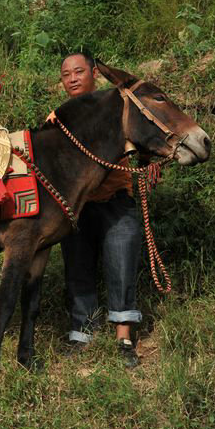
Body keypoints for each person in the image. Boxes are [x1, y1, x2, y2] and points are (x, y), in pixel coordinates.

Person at [52, 53, 141, 367]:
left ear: (93, 73)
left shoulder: (114, 107)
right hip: (76, 205)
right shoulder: (57, 118)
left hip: (116, 197)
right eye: (66, 74)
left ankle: (124, 338)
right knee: (77, 267)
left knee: (122, 263)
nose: (73, 78)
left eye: (79, 71)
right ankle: (82, 332)